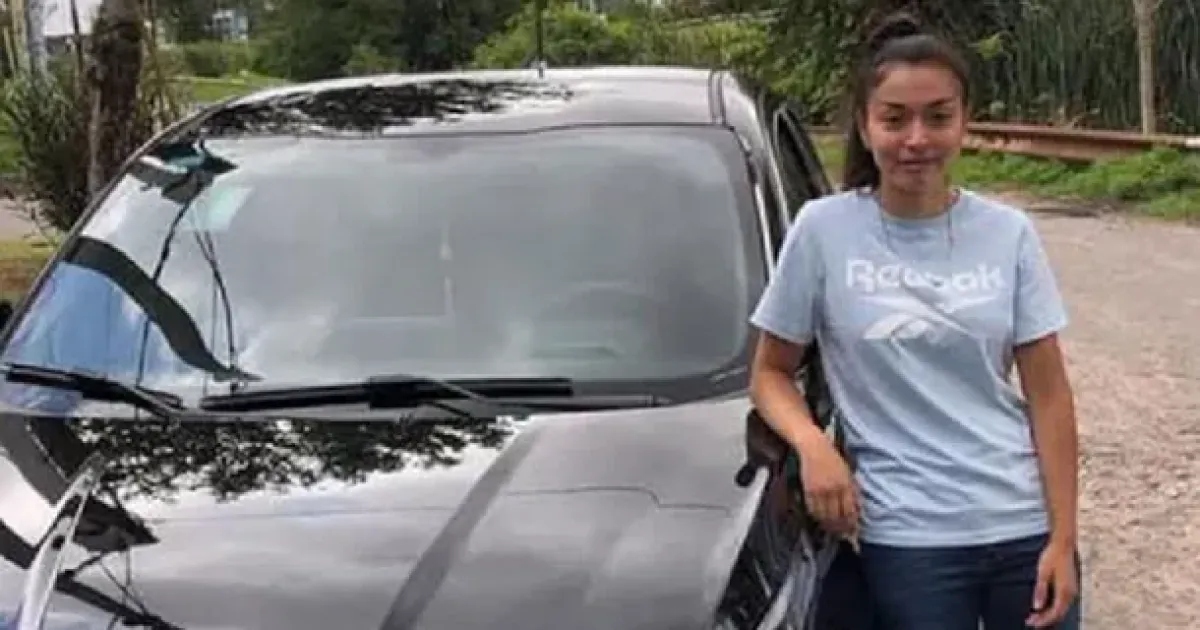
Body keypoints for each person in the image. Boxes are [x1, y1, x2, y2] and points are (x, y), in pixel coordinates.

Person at [748, 11, 1083, 630]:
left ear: (964, 122)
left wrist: (1063, 538)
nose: (916, 138)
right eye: (895, 119)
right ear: (865, 125)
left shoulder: (1008, 233)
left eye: (937, 116)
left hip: (1022, 525)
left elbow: (1050, 396)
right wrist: (814, 446)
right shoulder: (823, 231)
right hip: (908, 537)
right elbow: (769, 373)